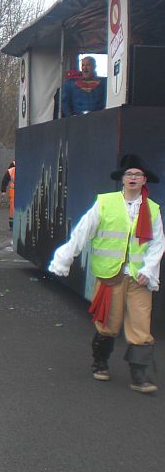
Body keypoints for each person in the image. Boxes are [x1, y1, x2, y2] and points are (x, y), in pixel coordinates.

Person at [49, 154, 164, 394]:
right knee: (108, 324)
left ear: (144, 180)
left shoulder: (153, 210)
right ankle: (100, 361)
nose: (133, 178)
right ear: (122, 178)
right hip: (110, 276)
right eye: (129, 174)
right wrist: (65, 258)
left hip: (139, 278)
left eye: (138, 175)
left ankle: (139, 375)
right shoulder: (105, 203)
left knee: (141, 326)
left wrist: (148, 269)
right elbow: (82, 231)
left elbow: (157, 244)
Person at [0, 161, 16, 231]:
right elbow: (5, 181)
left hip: (16, 191)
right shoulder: (11, 170)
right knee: (12, 208)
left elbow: (4, 181)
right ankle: (12, 225)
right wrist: (3, 190)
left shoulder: (11, 170)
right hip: (13, 191)